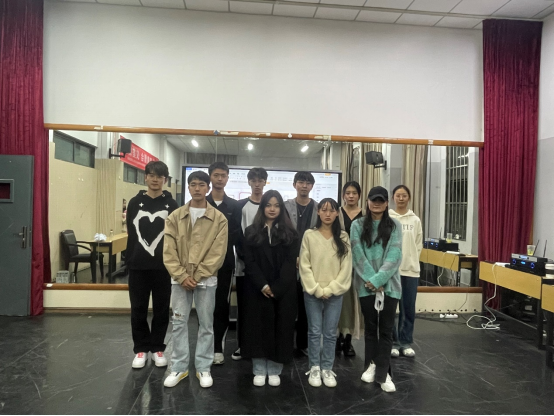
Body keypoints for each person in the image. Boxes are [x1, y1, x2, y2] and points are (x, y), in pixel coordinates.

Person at [163, 170, 228, 389]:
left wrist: (197, 275)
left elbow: (218, 252)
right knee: (179, 323)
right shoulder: (175, 216)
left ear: (208, 188)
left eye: (201, 185)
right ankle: (179, 367)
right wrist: (182, 275)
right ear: (188, 187)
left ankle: (203, 367)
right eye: (193, 184)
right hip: (179, 280)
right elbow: (168, 250)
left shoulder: (219, 218)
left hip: (206, 279)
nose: (197, 188)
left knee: (206, 324)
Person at [242, 190, 299, 387]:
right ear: (262, 207)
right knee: (257, 328)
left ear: (281, 208)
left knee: (281, 327)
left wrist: (277, 287)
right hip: (257, 288)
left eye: (276, 205)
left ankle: (275, 368)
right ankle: (259, 368)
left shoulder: (291, 233)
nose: (272, 209)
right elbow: (249, 261)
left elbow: (291, 263)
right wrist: (263, 285)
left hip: (284, 290)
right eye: (268, 205)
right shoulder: (251, 231)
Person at [126, 161, 179, 370]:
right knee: (138, 308)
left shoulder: (172, 205)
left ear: (165, 180)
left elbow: (175, 236)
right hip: (138, 266)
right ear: (146, 177)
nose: (155, 180)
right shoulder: (134, 202)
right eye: (151, 175)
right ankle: (140, 348)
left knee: (161, 309)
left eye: (159, 176)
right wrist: (131, 259)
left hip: (163, 267)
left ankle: (158, 347)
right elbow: (132, 233)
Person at [351, 186, 402, 393]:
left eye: (381, 200)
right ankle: (371, 365)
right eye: (373, 200)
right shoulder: (357, 225)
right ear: (368, 201)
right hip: (366, 286)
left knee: (386, 330)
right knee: (371, 329)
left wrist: (379, 279)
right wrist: (372, 280)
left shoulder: (395, 225)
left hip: (389, 286)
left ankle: (383, 374)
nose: (377, 203)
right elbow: (357, 253)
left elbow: (394, 255)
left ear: (387, 203)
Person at [299, 198, 352, 388]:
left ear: (337, 213)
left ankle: (327, 368)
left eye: (331, 210)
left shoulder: (343, 237)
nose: (327, 214)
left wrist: (330, 289)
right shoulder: (309, 235)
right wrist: (315, 289)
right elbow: (304, 264)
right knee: (314, 332)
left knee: (330, 333)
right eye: (324, 210)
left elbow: (346, 267)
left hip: (334, 293)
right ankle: (314, 367)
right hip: (312, 292)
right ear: (318, 212)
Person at [206, 162, 242, 366]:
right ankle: (205, 345)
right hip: (202, 264)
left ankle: (218, 347)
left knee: (221, 304)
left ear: (228, 178)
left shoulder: (234, 206)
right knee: (204, 306)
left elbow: (236, 235)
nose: (219, 179)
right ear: (210, 177)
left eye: (223, 176)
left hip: (225, 264)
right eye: (216, 175)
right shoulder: (201, 203)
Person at [233, 167, 269, 361]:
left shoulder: (270, 205)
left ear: (265, 182)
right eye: (253, 180)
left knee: (265, 308)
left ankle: (263, 345)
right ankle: (243, 346)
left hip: (267, 268)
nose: (257, 184)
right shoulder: (241, 206)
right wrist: (248, 259)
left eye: (260, 180)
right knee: (245, 309)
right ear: (248, 182)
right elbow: (238, 237)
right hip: (244, 267)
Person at [284, 171, 318, 355]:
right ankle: (286, 343)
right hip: (289, 262)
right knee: (288, 306)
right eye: (301, 182)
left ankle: (303, 345)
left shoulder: (319, 208)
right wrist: (292, 257)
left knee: (307, 306)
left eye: (307, 182)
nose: (304, 185)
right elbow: (281, 233)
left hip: (311, 263)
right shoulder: (285, 206)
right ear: (294, 184)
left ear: (312, 186)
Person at [390, 185, 423, 358]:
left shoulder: (415, 220)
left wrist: (411, 260)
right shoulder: (388, 217)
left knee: (408, 308)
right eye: (398, 195)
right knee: (390, 309)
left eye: (404, 195)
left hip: (410, 270)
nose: (401, 198)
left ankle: (405, 342)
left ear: (409, 198)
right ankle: (393, 343)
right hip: (391, 271)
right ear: (393, 198)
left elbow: (418, 244)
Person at [336, 181, 364, 357]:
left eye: (354, 193)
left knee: (355, 303)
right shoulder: (337, 212)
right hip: (339, 262)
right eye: (348, 193)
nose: (351, 196)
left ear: (359, 195)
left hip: (359, 264)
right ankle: (337, 337)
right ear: (343, 195)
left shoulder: (365, 214)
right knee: (340, 300)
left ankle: (348, 339)